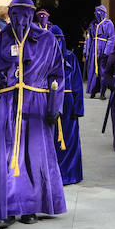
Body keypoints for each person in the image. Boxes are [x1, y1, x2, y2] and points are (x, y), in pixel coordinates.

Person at [0, 0, 66, 229]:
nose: (21, 20)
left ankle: (30, 206)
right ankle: (5, 208)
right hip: (7, 104)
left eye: (26, 15)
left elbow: (57, 76)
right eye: (16, 15)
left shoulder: (47, 40)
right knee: (5, 157)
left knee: (34, 156)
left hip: (36, 104)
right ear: (10, 15)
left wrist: (54, 106)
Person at [49, 25, 85, 186]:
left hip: (68, 104)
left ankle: (70, 174)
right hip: (49, 103)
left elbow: (78, 84)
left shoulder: (70, 57)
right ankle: (53, 175)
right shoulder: (44, 59)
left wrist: (79, 108)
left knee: (69, 140)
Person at [84, 5, 114, 98]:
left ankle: (102, 92)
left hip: (103, 50)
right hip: (94, 50)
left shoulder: (108, 23)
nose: (96, 14)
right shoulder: (92, 24)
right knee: (92, 70)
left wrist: (107, 52)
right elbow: (88, 38)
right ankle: (93, 91)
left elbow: (111, 38)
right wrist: (86, 50)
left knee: (102, 71)